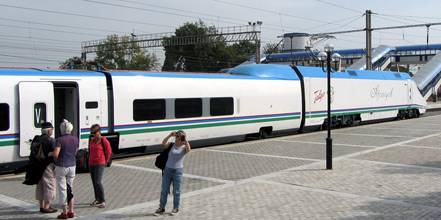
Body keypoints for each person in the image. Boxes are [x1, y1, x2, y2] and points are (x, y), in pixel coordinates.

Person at [154, 130, 191, 216]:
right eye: (178, 135)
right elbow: (164, 143)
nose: (179, 138)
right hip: (167, 170)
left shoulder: (184, 147)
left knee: (176, 191)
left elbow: (189, 150)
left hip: (177, 172)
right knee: (164, 190)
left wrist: (185, 140)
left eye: (181, 136)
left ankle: (176, 208)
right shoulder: (171, 145)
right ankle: (161, 207)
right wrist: (170, 135)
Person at [49, 119, 78, 219]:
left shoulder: (59, 140)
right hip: (72, 165)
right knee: (70, 188)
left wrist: (50, 154)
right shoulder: (75, 139)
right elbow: (75, 151)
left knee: (62, 189)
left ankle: (64, 213)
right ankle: (71, 211)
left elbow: (56, 153)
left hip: (61, 165)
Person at [35, 122, 58, 213]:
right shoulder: (50, 140)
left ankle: (41, 206)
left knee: (40, 186)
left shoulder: (37, 138)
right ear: (49, 131)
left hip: (37, 165)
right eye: (51, 130)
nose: (52, 131)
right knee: (49, 185)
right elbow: (55, 154)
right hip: (47, 166)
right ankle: (46, 206)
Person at [88, 124, 112, 209]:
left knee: (98, 181)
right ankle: (97, 198)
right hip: (91, 163)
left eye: (94, 132)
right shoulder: (91, 140)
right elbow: (90, 151)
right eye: (92, 133)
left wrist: (106, 161)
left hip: (100, 163)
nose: (93, 134)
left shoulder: (103, 140)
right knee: (94, 182)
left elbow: (109, 151)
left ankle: (102, 200)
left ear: (99, 131)